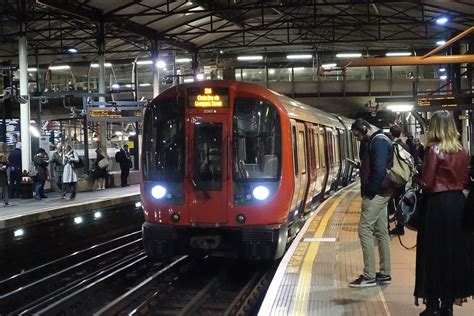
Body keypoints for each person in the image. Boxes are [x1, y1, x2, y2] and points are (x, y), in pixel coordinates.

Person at [414, 110, 471, 316]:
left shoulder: (433, 150)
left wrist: (417, 177)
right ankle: (447, 306)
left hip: (436, 207)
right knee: (452, 255)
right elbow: (464, 181)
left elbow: (427, 184)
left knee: (433, 255)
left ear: (435, 128)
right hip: (457, 206)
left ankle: (432, 306)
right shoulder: (462, 151)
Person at [349, 118, 394, 288]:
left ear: (365, 129)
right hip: (382, 192)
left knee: (364, 229)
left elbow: (380, 169)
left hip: (378, 193)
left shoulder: (379, 142)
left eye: (358, 135)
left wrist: (370, 191)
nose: (358, 139)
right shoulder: (376, 141)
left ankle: (369, 276)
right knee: (381, 232)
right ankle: (384, 273)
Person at [387, 125, 412, 237]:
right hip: (404, 179)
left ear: (391, 134)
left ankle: (387, 225)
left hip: (393, 179)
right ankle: (400, 228)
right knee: (400, 202)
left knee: (387, 200)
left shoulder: (391, 146)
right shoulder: (405, 146)